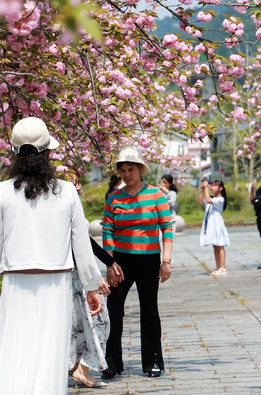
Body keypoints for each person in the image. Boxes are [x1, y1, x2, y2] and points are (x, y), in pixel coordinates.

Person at [0, 117, 103, 394]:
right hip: (55, 283)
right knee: (49, 353)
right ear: (48, 154)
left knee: (13, 347)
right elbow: (81, 240)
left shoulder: (0, 192)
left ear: (15, 154)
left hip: (16, 281)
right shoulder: (67, 191)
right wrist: (92, 285)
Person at [102, 146, 173, 379]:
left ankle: (153, 361)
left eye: (130, 169)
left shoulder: (155, 195)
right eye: (122, 170)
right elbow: (107, 231)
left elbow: (167, 228)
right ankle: (112, 363)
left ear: (140, 169)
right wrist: (110, 264)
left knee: (149, 310)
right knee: (114, 310)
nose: (126, 174)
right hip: (120, 261)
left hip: (149, 260)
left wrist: (166, 261)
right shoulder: (113, 198)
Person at [66, 173, 119, 389]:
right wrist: (93, 280)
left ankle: (81, 368)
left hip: (81, 272)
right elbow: (77, 247)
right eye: (70, 182)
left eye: (77, 181)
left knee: (88, 322)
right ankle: (78, 368)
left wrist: (109, 261)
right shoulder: (63, 209)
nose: (75, 186)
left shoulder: (73, 207)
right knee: (94, 320)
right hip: (75, 275)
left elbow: (87, 243)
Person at [200, 178, 229, 275]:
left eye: (214, 185)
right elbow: (201, 202)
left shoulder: (220, 199)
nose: (212, 187)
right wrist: (202, 190)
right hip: (211, 224)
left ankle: (223, 267)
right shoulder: (212, 198)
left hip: (217, 224)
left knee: (220, 245)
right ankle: (218, 266)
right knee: (215, 245)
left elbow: (208, 200)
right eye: (211, 185)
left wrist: (206, 188)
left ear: (221, 188)